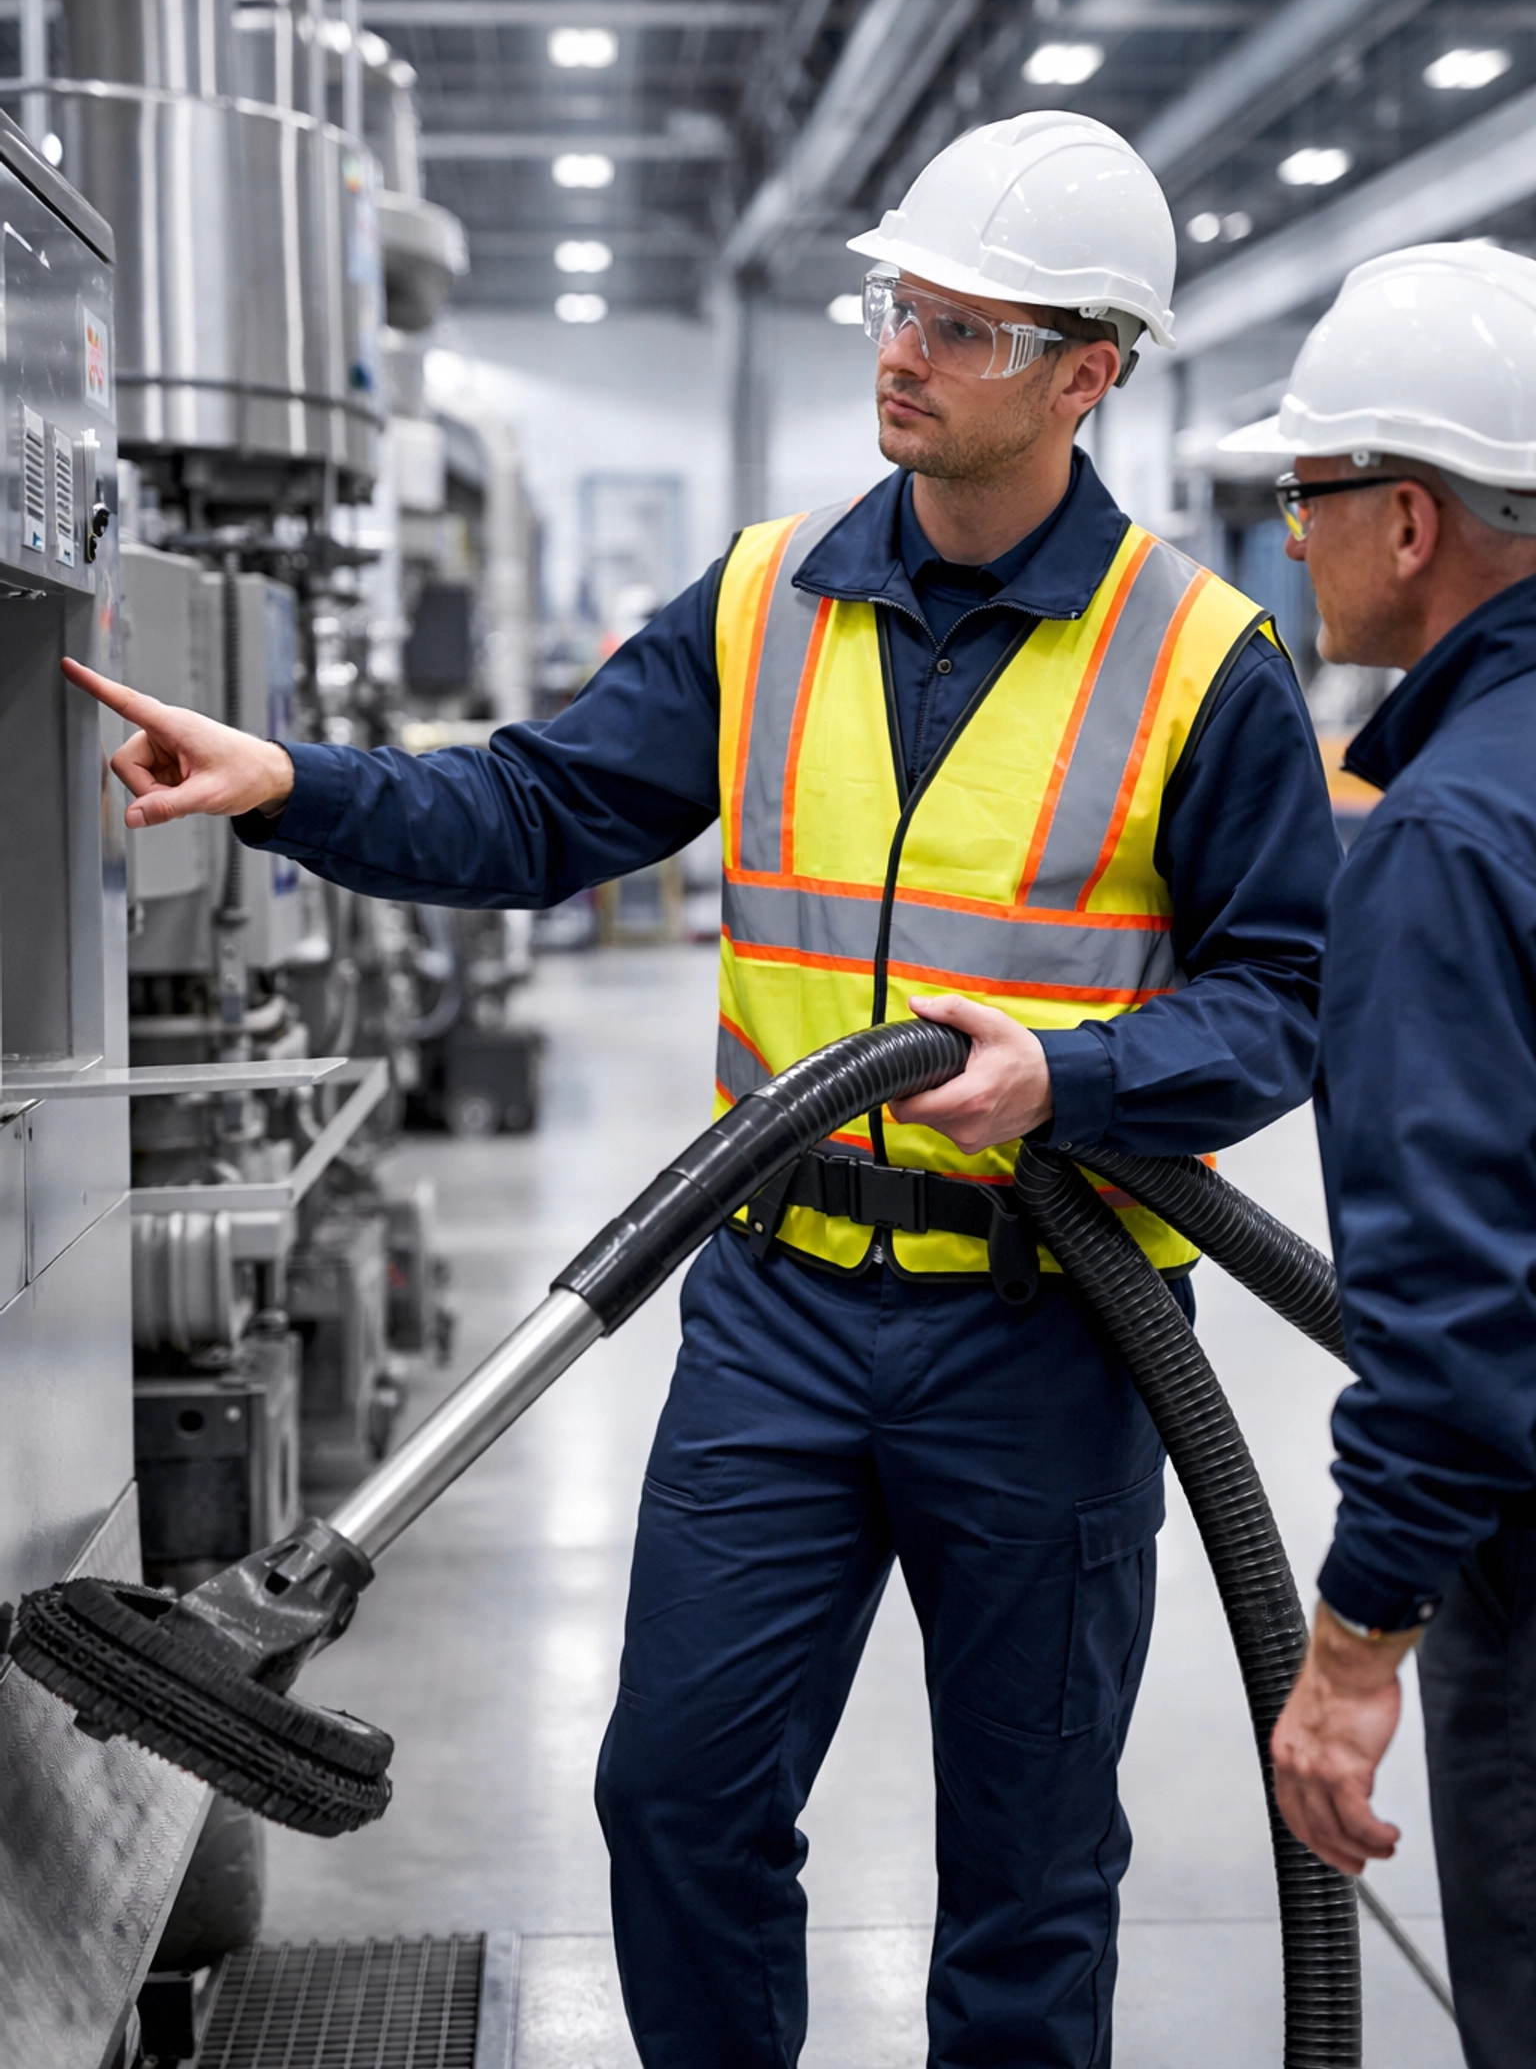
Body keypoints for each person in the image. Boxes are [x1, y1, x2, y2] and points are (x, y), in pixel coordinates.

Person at [67, 112, 1339, 2069]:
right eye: (897, 304)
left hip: (1053, 1338)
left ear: (1089, 372)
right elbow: (540, 806)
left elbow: (1280, 1006)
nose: (902, 350)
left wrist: (1079, 1080)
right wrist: (293, 786)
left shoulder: (1199, 660)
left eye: (965, 326)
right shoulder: (767, 602)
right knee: (674, 1800)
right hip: (778, 1320)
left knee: (1030, 1868)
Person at [1230, 241, 1536, 2069]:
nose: (1291, 536)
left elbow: (1456, 1305)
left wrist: (1352, 1655)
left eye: (1307, 493)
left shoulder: (1444, 840)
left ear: (1408, 520)